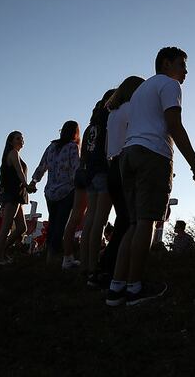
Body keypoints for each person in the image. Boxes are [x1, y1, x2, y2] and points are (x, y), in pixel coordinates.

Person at [105, 47, 195, 307]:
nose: (185, 71)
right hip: (152, 154)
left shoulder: (141, 90)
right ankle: (136, 287)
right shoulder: (169, 85)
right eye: (182, 64)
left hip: (128, 154)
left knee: (132, 223)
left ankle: (117, 287)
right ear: (166, 63)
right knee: (147, 222)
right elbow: (173, 124)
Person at [99, 76, 145, 280]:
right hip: (127, 165)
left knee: (123, 220)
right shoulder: (133, 110)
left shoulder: (113, 114)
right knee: (129, 221)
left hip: (113, 167)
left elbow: (108, 145)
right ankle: (114, 268)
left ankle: (107, 266)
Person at [28, 122, 80, 264]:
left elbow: (42, 166)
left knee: (53, 222)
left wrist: (34, 181)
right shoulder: (72, 147)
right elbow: (76, 168)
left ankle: (48, 253)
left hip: (50, 191)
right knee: (61, 223)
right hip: (66, 190)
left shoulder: (51, 147)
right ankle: (54, 254)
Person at [80, 89, 116, 288]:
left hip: (90, 174)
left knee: (90, 219)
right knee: (100, 221)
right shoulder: (108, 123)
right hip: (103, 171)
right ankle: (94, 265)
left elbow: (83, 154)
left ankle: (84, 263)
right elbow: (109, 149)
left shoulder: (90, 127)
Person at [0, 131, 32, 265]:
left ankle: (1, 250)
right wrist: (27, 185)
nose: (21, 140)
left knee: (22, 227)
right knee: (7, 226)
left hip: (17, 195)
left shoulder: (13, 154)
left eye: (22, 138)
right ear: (11, 141)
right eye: (18, 138)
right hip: (13, 193)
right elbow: (19, 171)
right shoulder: (13, 153)